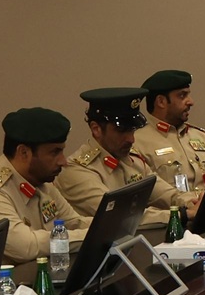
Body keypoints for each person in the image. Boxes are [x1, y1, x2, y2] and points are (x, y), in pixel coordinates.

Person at [0, 108, 84, 262]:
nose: (63, 161)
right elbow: (25, 248)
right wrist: (89, 236)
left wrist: (106, 228)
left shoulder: (40, 183)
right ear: (24, 152)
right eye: (55, 152)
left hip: (29, 274)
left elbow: (74, 223)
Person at [58, 88, 157, 218]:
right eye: (122, 130)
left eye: (132, 129)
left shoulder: (132, 160)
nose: (131, 139)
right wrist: (176, 214)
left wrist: (184, 205)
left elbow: (166, 194)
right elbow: (121, 214)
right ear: (96, 129)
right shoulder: (76, 170)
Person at [139, 70, 205, 221]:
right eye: (182, 96)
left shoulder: (198, 135)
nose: (191, 102)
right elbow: (153, 191)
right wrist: (193, 203)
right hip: (173, 223)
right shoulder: (138, 142)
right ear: (161, 102)